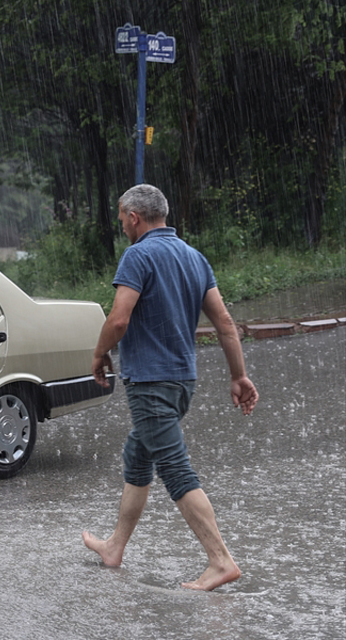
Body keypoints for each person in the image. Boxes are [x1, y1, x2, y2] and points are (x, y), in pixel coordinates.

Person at [83, 184, 259, 591]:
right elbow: (225, 324)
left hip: (150, 382)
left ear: (133, 217)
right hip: (182, 381)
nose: (122, 226)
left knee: (175, 468)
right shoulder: (194, 258)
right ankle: (114, 547)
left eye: (121, 219)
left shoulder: (138, 255)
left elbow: (119, 320)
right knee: (138, 456)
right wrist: (238, 375)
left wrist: (99, 353)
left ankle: (220, 561)